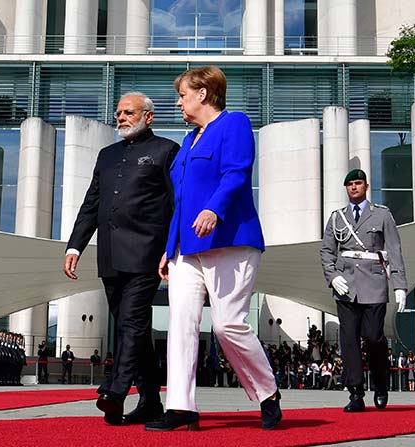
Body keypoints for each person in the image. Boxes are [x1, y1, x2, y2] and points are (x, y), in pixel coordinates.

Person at [146, 66, 281, 432]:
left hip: (229, 239)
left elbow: (237, 172)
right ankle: (180, 407)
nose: (179, 102)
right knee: (181, 324)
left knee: (226, 325)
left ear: (204, 93)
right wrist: (168, 247)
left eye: (184, 95)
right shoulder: (188, 142)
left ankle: (267, 393)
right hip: (186, 249)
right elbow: (180, 200)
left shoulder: (234, 123)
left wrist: (214, 208)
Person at [63, 91, 179, 425]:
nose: (121, 118)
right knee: (135, 330)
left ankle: (115, 389)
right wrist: (75, 246)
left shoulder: (166, 151)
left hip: (146, 253)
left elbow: (177, 205)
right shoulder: (107, 154)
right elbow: (91, 203)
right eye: (118, 113)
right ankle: (150, 400)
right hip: (110, 255)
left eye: (128, 112)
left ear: (148, 116)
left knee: (132, 321)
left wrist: (171, 249)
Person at [320, 168, 408, 412]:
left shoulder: (381, 215)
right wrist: (333, 276)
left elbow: (394, 250)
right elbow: (327, 250)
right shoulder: (337, 217)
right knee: (348, 340)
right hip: (346, 286)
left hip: (374, 284)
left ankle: (380, 385)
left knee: (373, 337)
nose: (354, 187)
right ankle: (355, 393)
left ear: (366, 186)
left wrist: (400, 285)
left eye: (358, 183)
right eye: (350, 185)